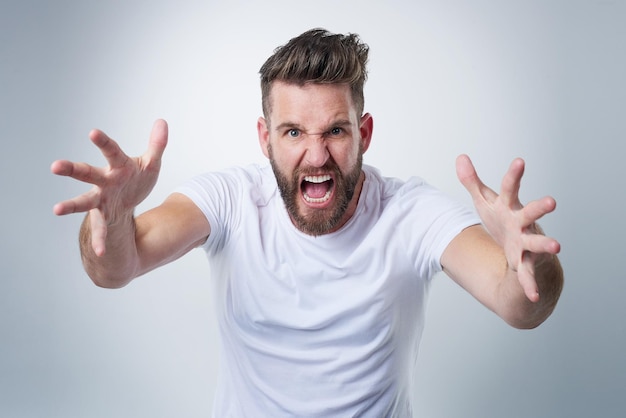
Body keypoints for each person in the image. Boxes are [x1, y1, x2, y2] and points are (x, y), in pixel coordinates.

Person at [51, 28, 563, 417]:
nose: (316, 155)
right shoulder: (230, 199)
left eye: (335, 131)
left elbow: (519, 305)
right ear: (265, 137)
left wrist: (529, 257)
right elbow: (116, 267)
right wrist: (113, 218)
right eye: (294, 131)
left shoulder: (411, 213)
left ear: (364, 133)